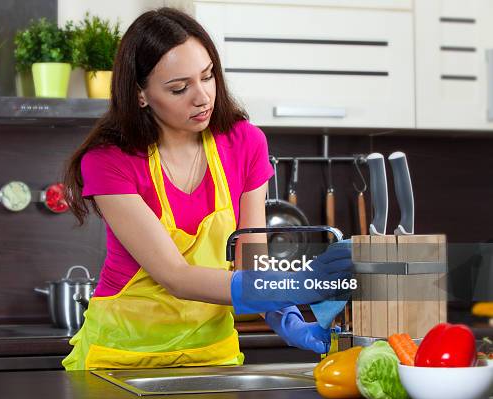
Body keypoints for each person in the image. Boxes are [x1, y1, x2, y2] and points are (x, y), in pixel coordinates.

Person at [61, 7, 352, 371]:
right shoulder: (109, 161)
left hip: (213, 359)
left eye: (208, 76)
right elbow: (175, 277)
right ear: (140, 95)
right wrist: (297, 283)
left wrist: (287, 316)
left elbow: (252, 264)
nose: (202, 97)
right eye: (179, 88)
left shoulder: (245, 143)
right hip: (120, 362)